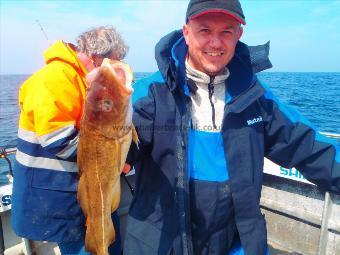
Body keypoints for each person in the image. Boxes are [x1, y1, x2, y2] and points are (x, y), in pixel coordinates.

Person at [123, 1, 340, 255]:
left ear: (239, 34)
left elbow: (311, 148)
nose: (215, 43)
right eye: (204, 30)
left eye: (226, 31)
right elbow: (114, 150)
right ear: (186, 32)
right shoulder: (148, 95)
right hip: (160, 245)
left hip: (235, 244)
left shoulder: (255, 98)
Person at [12, 26, 128, 255]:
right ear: (97, 57)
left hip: (85, 195)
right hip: (58, 197)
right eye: (112, 65)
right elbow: (58, 140)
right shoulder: (54, 78)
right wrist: (112, 151)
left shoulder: (80, 78)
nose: (114, 71)